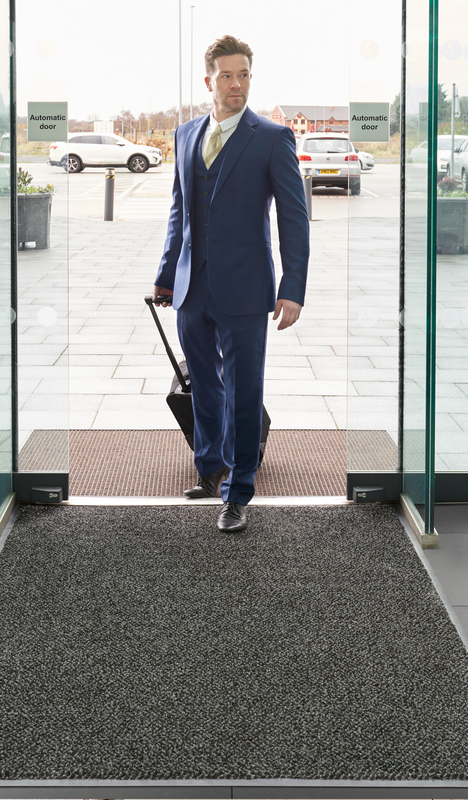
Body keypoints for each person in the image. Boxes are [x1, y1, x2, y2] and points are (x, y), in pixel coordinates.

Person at [152, 34, 310, 533]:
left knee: (244, 389)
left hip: (245, 287)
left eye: (244, 74)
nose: (237, 84)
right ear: (209, 81)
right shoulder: (184, 135)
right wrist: (164, 276)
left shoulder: (271, 137)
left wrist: (293, 286)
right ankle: (209, 468)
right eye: (227, 75)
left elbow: (293, 217)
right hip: (191, 288)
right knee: (203, 386)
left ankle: (238, 491)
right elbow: (180, 211)